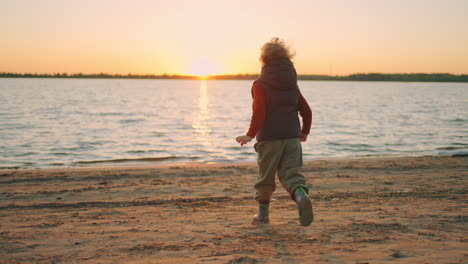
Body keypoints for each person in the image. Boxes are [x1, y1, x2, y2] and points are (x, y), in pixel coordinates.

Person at [236, 38, 313, 227]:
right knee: (291, 175)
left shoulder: (260, 84)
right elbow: (307, 111)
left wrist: (250, 134)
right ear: (288, 59)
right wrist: (304, 132)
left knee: (265, 178)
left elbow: (259, 113)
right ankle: (301, 195)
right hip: (292, 138)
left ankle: (263, 216)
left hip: (269, 139)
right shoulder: (292, 85)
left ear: (263, 59)